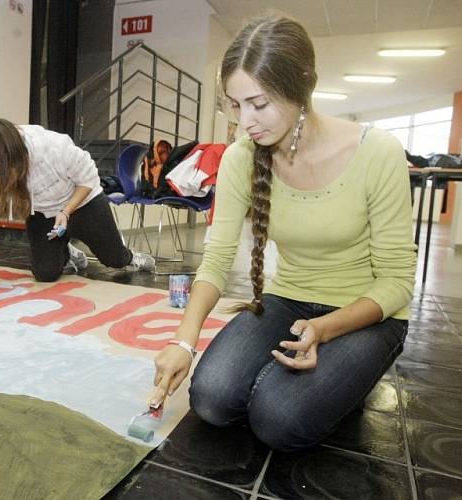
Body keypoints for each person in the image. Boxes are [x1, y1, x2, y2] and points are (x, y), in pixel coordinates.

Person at [149, 14, 416, 452]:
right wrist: (183, 340)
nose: (245, 121)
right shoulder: (240, 158)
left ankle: (353, 375)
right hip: (288, 297)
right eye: (235, 106)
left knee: (279, 421)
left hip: (367, 312)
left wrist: (325, 329)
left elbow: (397, 281)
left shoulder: (377, 151)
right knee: (212, 400)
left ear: (301, 86)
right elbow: (216, 259)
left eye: (258, 103)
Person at [0, 118, 156, 282]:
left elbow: (88, 178)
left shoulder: (53, 147)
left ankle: (129, 257)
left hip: (83, 202)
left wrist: (66, 212)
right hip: (44, 213)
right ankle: (66, 250)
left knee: (114, 261)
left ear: (12, 153)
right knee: (45, 274)